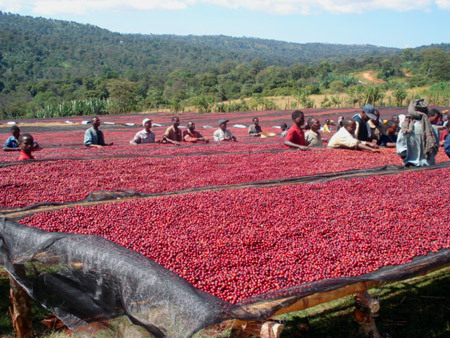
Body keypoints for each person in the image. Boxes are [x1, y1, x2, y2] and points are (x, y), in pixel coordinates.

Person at [396, 99, 439, 166]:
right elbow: (435, 149)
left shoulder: (406, 129)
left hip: (411, 164)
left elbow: (400, 150)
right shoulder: (434, 129)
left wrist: (410, 156)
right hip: (429, 165)